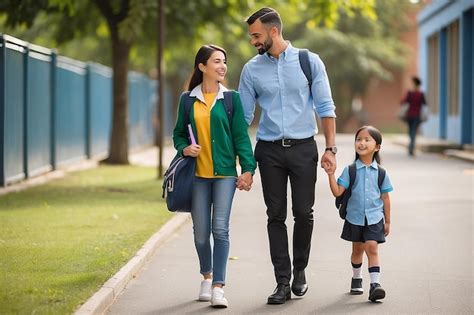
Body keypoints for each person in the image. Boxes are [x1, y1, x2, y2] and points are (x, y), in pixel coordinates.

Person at [238, 7, 337, 304]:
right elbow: (242, 119)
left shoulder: (309, 62)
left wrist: (330, 148)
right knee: (275, 215)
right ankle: (282, 281)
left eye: (256, 35)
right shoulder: (251, 69)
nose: (253, 41)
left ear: (273, 31)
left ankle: (300, 271)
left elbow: (325, 107)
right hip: (268, 151)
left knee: (304, 213)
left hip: (304, 147)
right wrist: (244, 162)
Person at [172, 44, 256, 308]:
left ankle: (219, 286)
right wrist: (185, 148)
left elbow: (241, 137)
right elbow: (178, 134)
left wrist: (248, 169)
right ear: (202, 66)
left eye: (224, 62)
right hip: (197, 176)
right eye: (217, 61)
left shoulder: (231, 99)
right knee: (200, 234)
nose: (222, 66)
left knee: (220, 230)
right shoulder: (187, 99)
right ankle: (206, 277)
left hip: (224, 176)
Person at [323, 125, 393, 302]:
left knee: (372, 247)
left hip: (375, 218)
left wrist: (388, 221)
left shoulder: (382, 173)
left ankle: (375, 285)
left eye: (367, 140)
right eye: (359, 139)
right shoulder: (350, 170)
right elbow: (338, 192)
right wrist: (330, 174)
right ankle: (356, 278)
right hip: (355, 218)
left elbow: (385, 198)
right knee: (357, 250)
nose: (361, 143)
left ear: (377, 147)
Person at [401, 76, 427, 156]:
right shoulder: (421, 94)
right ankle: (411, 147)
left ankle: (411, 148)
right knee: (413, 131)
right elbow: (425, 103)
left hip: (410, 115)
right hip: (417, 116)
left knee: (411, 132)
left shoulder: (410, 93)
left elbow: (403, 101)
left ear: (414, 84)